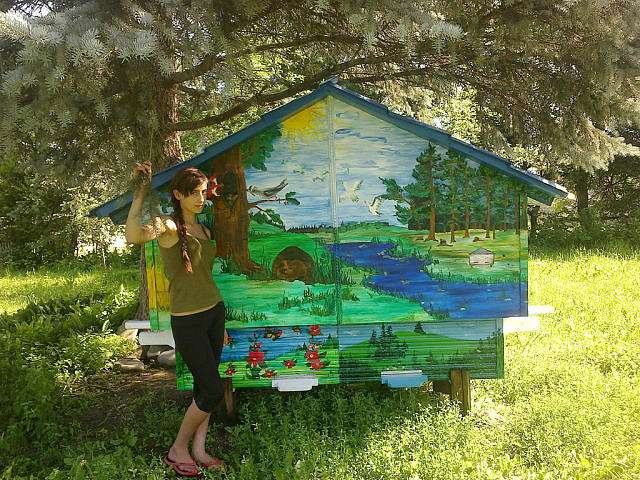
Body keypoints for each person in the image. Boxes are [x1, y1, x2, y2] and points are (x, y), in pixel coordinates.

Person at [125, 161, 227, 477]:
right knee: (212, 390)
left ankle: (199, 449)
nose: (200, 199)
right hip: (188, 321)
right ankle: (177, 450)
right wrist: (140, 192)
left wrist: (219, 324)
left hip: (214, 313)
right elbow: (132, 235)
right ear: (178, 195)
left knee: (203, 386)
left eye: (203, 192)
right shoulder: (169, 228)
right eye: (193, 193)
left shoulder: (204, 230)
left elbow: (203, 277)